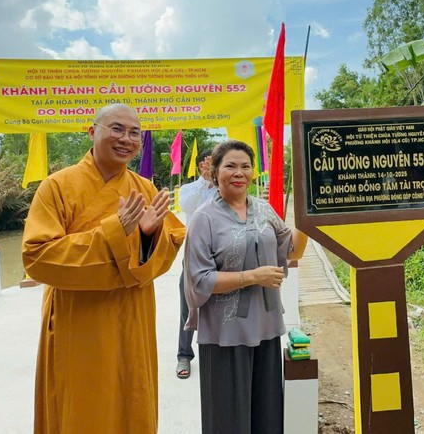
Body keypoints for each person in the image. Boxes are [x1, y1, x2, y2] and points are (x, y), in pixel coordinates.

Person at [22, 103, 186, 434]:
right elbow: (37, 257)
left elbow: (171, 242)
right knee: (82, 406)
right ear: (92, 131)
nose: (127, 138)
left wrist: (147, 237)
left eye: (135, 132)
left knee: (130, 397)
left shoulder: (145, 189)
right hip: (79, 322)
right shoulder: (56, 187)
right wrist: (114, 232)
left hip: (132, 317)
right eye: (117, 129)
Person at [184, 140, 307, 434]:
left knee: (266, 416)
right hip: (225, 335)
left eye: (245, 166)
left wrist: (308, 216)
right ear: (215, 172)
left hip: (265, 327)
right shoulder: (204, 219)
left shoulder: (263, 210)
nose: (238, 172)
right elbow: (199, 280)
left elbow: (291, 249)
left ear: (253, 172)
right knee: (228, 420)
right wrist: (253, 276)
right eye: (230, 166)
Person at [174, 148, 216, 379]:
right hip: (194, 254)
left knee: (219, 305)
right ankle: (184, 355)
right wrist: (205, 184)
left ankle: (215, 354)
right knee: (188, 305)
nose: (212, 166)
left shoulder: (224, 188)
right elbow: (187, 207)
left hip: (220, 253)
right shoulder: (190, 189)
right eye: (209, 161)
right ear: (201, 165)